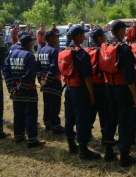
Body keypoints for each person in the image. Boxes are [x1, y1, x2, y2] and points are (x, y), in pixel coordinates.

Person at [103, 20, 136, 167]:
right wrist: (135, 96)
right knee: (125, 122)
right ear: (119, 31)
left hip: (108, 88)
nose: (126, 32)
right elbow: (129, 77)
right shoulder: (124, 49)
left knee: (110, 120)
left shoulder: (105, 46)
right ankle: (124, 156)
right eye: (124, 30)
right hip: (121, 90)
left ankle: (108, 151)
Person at [62, 25, 100, 160]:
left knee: (69, 117)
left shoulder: (65, 50)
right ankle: (83, 150)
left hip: (68, 89)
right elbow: (87, 77)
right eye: (82, 35)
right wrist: (92, 95)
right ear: (78, 36)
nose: (84, 37)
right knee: (82, 119)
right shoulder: (81, 54)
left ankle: (71, 144)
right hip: (80, 91)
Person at [3, 31, 45, 148]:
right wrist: (20, 87)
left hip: (16, 91)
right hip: (27, 90)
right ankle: (32, 139)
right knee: (31, 114)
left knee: (18, 114)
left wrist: (12, 87)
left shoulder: (12, 53)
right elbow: (30, 74)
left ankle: (18, 136)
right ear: (29, 43)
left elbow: (6, 71)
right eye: (32, 41)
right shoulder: (29, 55)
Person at [36, 30, 64, 134]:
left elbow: (38, 67)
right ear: (51, 38)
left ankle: (47, 123)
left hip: (44, 81)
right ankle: (55, 125)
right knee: (55, 104)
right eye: (56, 37)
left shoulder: (41, 50)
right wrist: (47, 80)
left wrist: (41, 80)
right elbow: (53, 67)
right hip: (53, 81)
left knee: (47, 103)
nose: (57, 38)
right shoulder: (54, 51)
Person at [85, 29, 107, 144]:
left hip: (89, 86)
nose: (105, 37)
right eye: (104, 35)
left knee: (90, 111)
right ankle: (105, 137)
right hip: (101, 86)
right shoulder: (104, 51)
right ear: (99, 38)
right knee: (104, 112)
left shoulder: (87, 50)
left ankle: (87, 133)